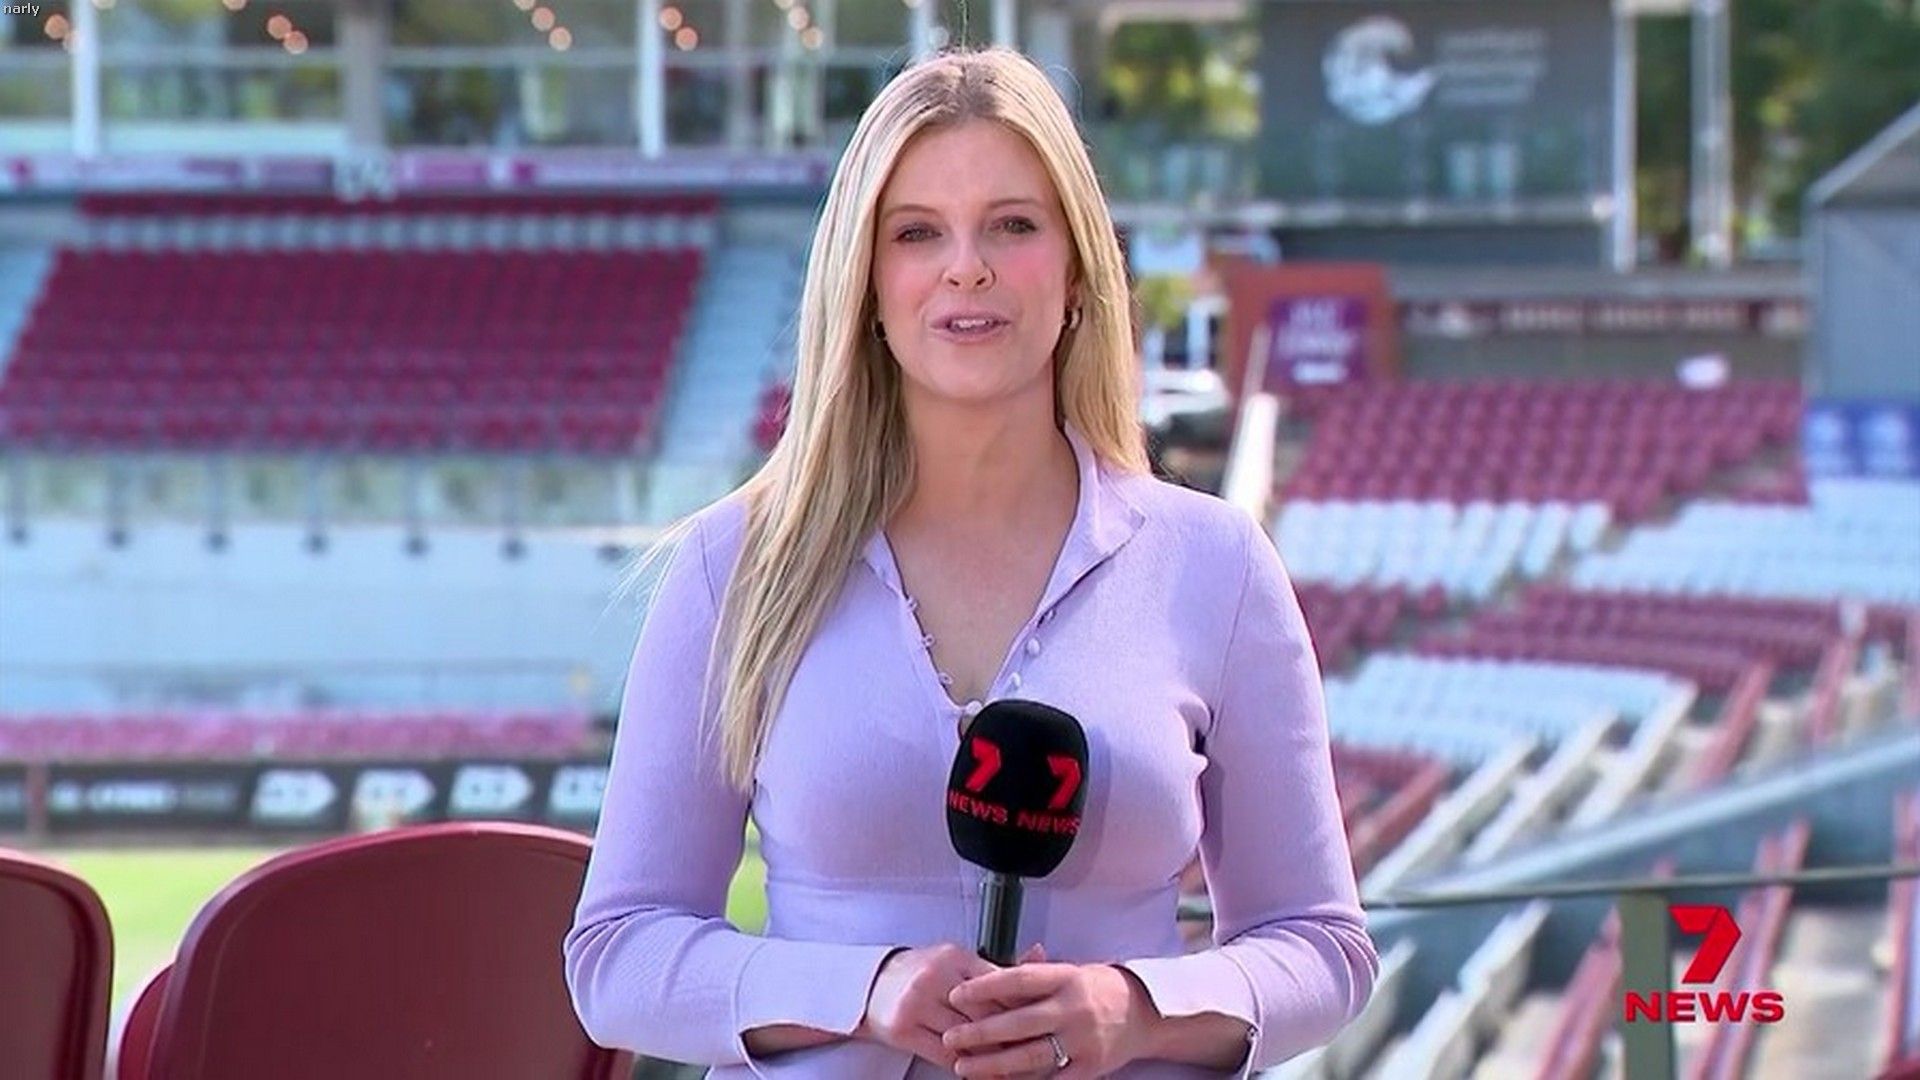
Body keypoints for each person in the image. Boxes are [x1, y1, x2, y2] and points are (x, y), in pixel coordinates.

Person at [564, 48, 1376, 1079]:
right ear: (865, 282)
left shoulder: (1217, 566)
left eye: (1013, 225)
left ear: (1078, 269)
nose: (967, 268)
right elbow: (618, 956)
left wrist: (1134, 1008)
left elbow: (1321, 946)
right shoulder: (735, 567)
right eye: (917, 232)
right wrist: (863, 990)